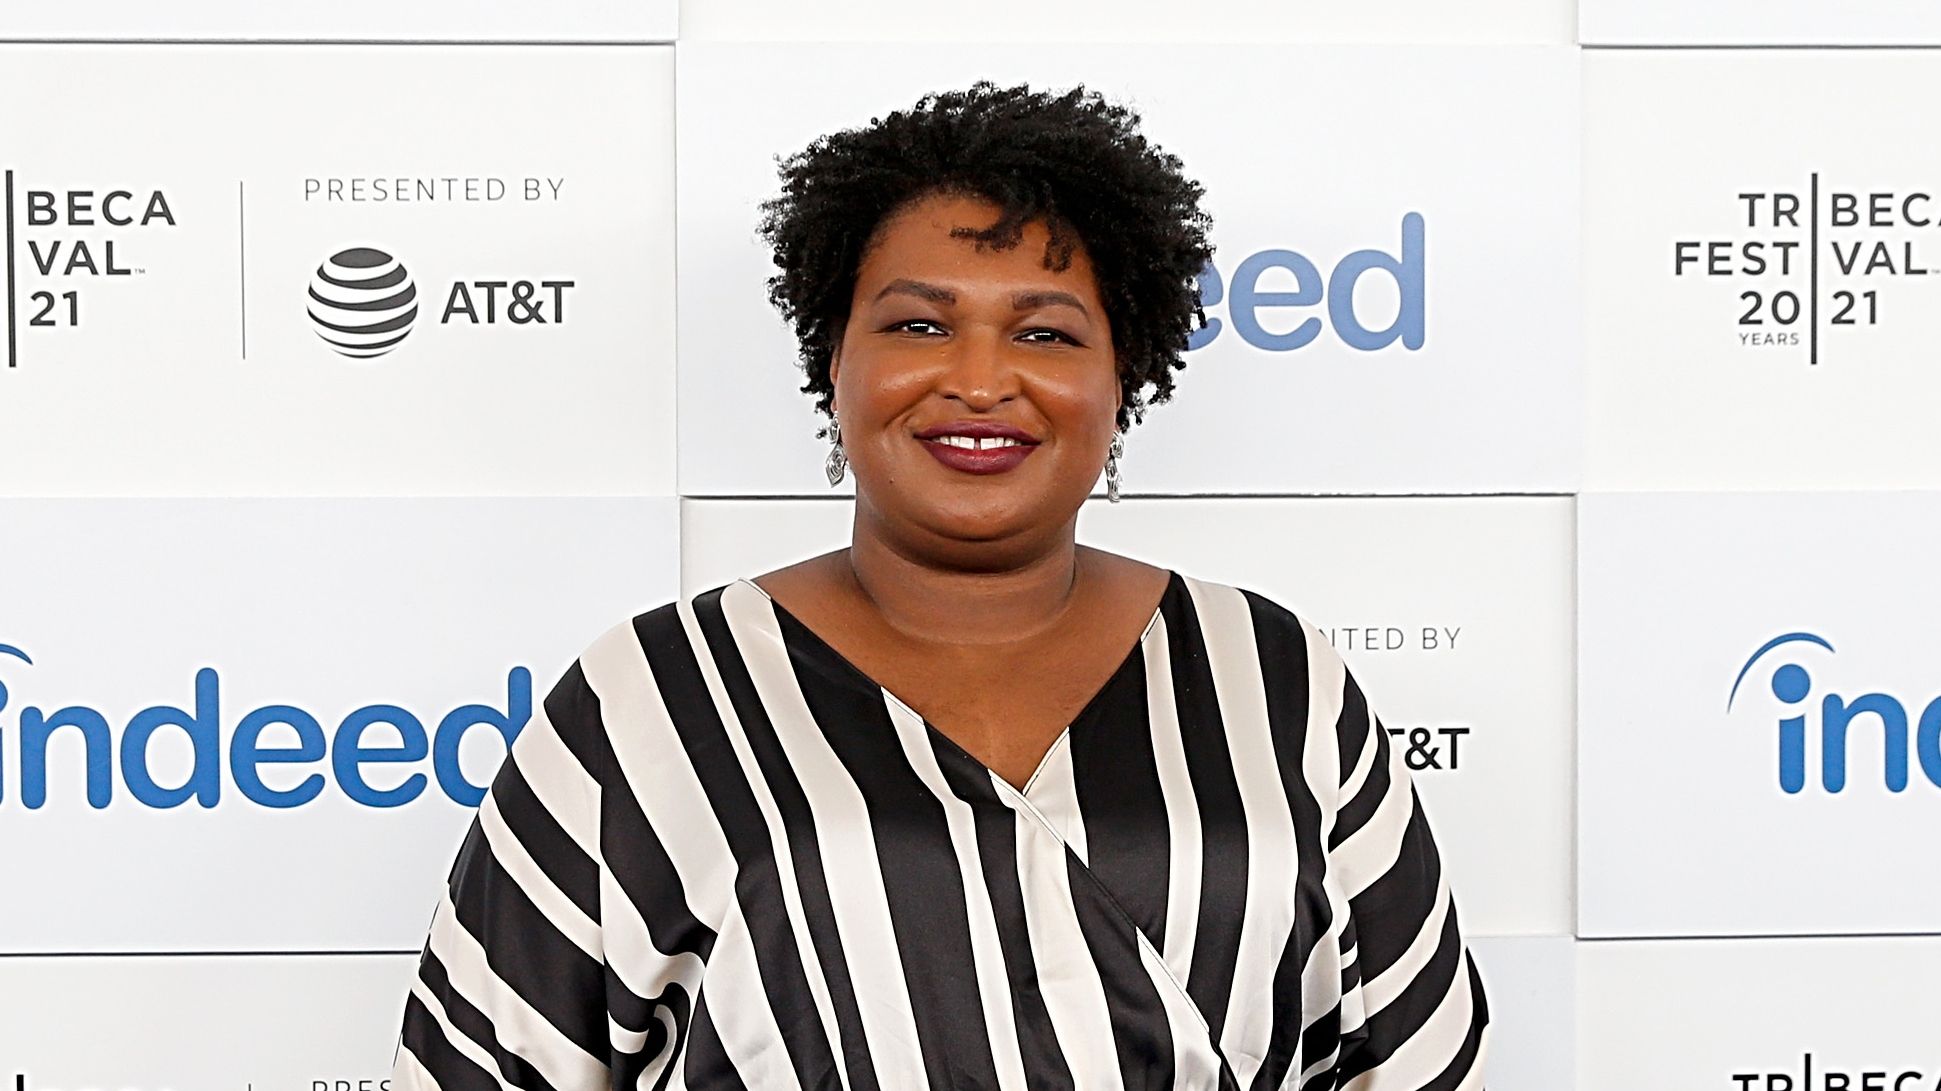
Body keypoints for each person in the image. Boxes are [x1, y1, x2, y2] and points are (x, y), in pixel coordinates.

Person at [392, 83, 1490, 1091]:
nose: (978, 379)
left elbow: (1415, 1057)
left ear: (1122, 375)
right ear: (835, 360)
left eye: (1045, 332)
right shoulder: (653, 697)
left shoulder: (1274, 677)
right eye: (919, 324)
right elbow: (484, 1064)